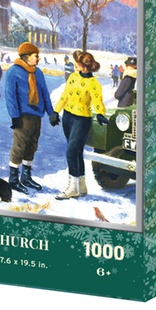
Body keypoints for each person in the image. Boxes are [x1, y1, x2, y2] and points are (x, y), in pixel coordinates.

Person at [4, 42, 59, 194]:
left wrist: (51, 112)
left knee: (32, 146)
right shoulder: (13, 72)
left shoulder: (38, 72)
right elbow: (10, 96)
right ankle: (13, 179)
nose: (38, 58)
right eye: (36, 56)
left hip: (36, 116)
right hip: (22, 116)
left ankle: (26, 177)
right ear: (27, 57)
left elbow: (44, 93)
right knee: (19, 146)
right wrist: (14, 116)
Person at [53, 51, 107, 199]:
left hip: (82, 120)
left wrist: (100, 113)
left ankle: (73, 188)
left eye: (77, 62)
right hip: (68, 117)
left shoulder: (93, 83)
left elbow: (97, 100)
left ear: (85, 66)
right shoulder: (73, 77)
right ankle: (81, 186)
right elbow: (65, 95)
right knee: (76, 152)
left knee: (71, 152)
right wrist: (56, 111)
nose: (75, 64)